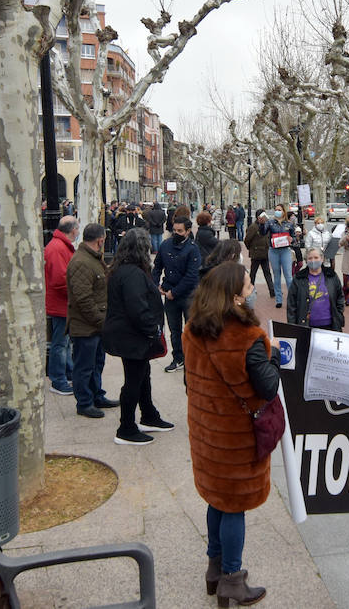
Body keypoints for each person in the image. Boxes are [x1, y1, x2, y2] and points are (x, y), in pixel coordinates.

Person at [184, 262, 280, 607]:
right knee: (235, 505)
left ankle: (214, 569)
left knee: (216, 499)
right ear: (235, 295)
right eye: (247, 283)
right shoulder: (247, 338)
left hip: (207, 433)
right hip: (237, 438)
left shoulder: (192, 328)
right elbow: (267, 388)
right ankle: (232, 579)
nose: (252, 286)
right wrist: (276, 358)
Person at [103, 229, 176, 445]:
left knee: (143, 376)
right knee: (133, 381)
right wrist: (153, 330)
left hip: (130, 335)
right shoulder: (132, 274)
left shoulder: (123, 270)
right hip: (132, 336)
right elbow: (137, 309)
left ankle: (149, 415)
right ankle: (126, 427)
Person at [68, 223, 119, 418]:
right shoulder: (82, 262)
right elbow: (83, 299)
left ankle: (97, 395)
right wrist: (101, 321)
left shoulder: (92, 259)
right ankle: (84, 402)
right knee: (84, 366)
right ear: (100, 240)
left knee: (96, 363)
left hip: (95, 326)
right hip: (85, 327)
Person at [153, 216, 202, 373]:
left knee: (190, 329)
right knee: (174, 330)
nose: (176, 233)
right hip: (169, 294)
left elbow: (192, 276)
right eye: (174, 230)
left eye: (180, 231)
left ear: (188, 231)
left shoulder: (193, 249)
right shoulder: (165, 245)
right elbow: (157, 267)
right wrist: (156, 285)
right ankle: (178, 358)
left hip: (188, 295)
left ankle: (191, 359)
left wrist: (175, 292)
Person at [44, 216, 79, 396]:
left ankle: (67, 372)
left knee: (64, 343)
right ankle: (58, 379)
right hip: (61, 303)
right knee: (60, 343)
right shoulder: (58, 248)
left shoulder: (59, 246)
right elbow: (60, 280)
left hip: (62, 303)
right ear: (73, 230)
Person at [286, 247, 345, 331]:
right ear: (306, 260)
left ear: (322, 259)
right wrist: (292, 326)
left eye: (316, 257)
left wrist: (339, 313)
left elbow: (340, 297)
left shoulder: (331, 275)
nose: (313, 260)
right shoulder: (299, 278)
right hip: (306, 325)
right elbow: (291, 304)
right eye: (310, 258)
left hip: (330, 325)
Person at [266, 205, 294, 308]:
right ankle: (278, 299)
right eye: (276, 210)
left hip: (285, 250)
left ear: (283, 211)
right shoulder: (270, 222)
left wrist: (292, 239)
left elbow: (294, 237)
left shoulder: (289, 224)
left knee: (288, 275)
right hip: (273, 251)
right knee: (276, 275)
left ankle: (292, 299)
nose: (277, 212)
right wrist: (262, 223)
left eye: (279, 210)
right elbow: (263, 232)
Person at [244, 210, 275, 300]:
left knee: (267, 273)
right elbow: (247, 240)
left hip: (265, 253)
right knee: (253, 273)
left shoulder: (266, 226)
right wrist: (251, 248)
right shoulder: (253, 227)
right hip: (256, 253)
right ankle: (250, 290)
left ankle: (272, 290)